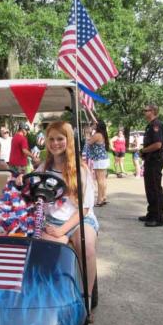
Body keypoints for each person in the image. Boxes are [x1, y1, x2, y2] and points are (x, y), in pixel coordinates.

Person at [37, 121, 99, 305]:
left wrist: (63, 230)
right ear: (46, 141)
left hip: (80, 219)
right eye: (51, 139)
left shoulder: (81, 169)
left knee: (86, 248)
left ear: (68, 140)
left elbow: (84, 208)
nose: (56, 143)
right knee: (53, 251)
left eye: (60, 138)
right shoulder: (43, 168)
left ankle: (85, 298)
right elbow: (31, 190)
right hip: (52, 220)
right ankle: (57, 297)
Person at [139, 104, 163, 227]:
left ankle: (158, 218)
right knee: (149, 188)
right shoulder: (150, 125)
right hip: (150, 161)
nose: (144, 112)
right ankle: (151, 213)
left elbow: (158, 144)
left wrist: (143, 151)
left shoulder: (156, 125)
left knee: (155, 189)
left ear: (153, 111)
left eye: (146, 110)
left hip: (155, 160)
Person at [87, 120, 110, 206]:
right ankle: (103, 197)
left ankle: (99, 199)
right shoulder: (102, 134)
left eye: (94, 124)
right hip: (103, 158)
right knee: (103, 179)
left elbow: (88, 142)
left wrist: (89, 132)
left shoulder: (97, 135)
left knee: (100, 180)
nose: (93, 125)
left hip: (99, 159)